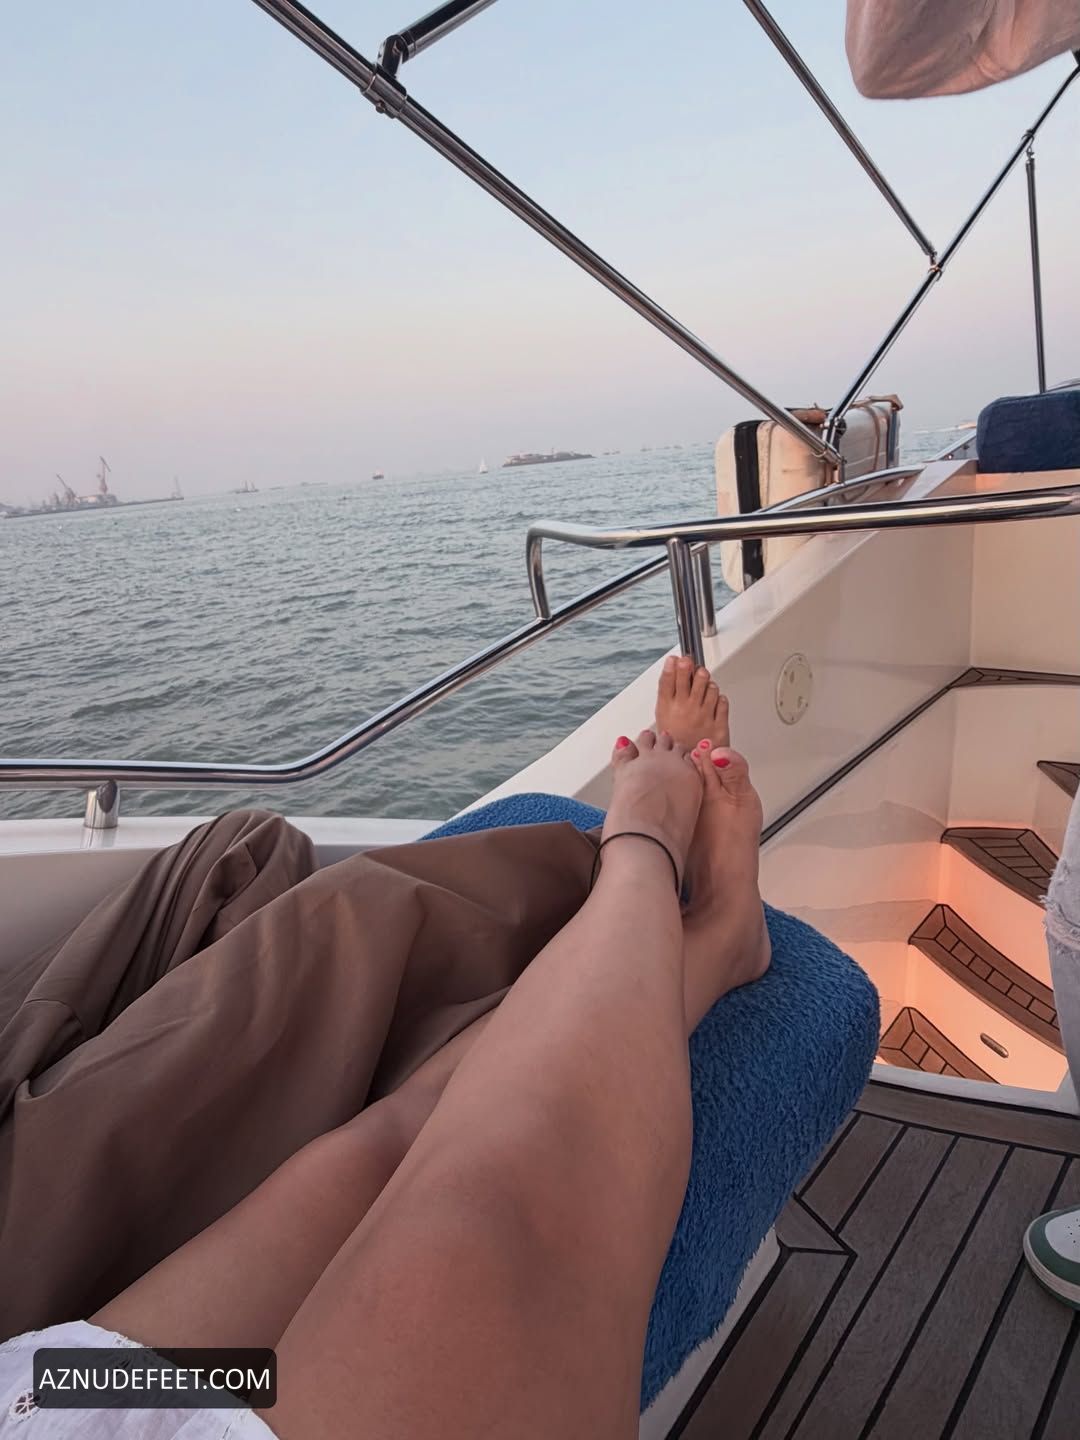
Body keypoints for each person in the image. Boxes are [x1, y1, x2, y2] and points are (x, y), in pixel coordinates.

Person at [0, 660, 770, 1437]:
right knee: (486, 1220)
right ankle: (656, 863)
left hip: (67, 1388)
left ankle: (707, 935)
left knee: (388, 1144)